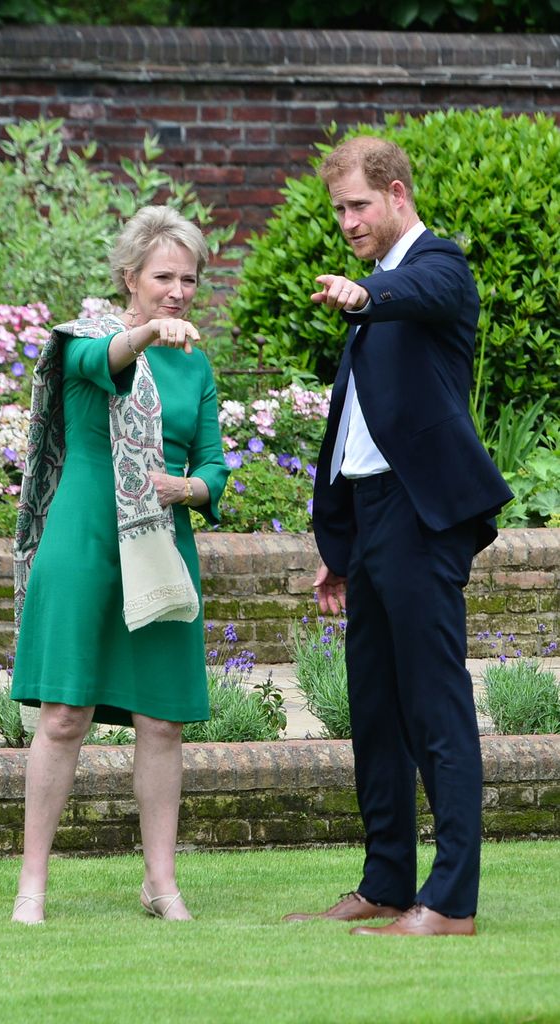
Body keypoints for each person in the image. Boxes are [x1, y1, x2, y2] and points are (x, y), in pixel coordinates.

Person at [283, 137, 513, 936]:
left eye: (358, 206)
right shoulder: (378, 288)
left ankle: (449, 900)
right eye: (338, 210)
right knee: (376, 710)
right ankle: (385, 884)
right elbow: (356, 430)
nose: (347, 221)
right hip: (372, 524)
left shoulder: (436, 268)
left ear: (397, 193)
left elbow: (418, 292)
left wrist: (363, 299)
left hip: (421, 522)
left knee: (434, 708)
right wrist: (336, 545)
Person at [10, 205, 229, 924]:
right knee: (64, 714)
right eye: (163, 277)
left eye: (188, 279)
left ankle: (160, 883)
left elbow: (213, 467)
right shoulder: (85, 341)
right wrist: (144, 334)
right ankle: (32, 886)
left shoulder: (194, 365)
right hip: (83, 548)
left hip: (161, 549)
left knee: (161, 722)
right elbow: (100, 365)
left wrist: (189, 487)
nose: (177, 290)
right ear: (129, 277)